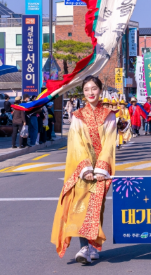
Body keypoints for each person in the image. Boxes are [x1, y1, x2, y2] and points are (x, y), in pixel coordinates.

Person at [51, 76, 116, 264]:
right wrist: (86, 168)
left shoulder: (109, 115)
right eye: (86, 89)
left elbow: (109, 144)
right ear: (83, 92)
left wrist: (100, 168)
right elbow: (75, 144)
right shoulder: (78, 116)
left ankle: (93, 246)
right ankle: (83, 247)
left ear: (100, 90)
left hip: (101, 170)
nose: (90, 93)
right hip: (82, 169)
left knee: (96, 208)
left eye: (94, 88)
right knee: (80, 206)